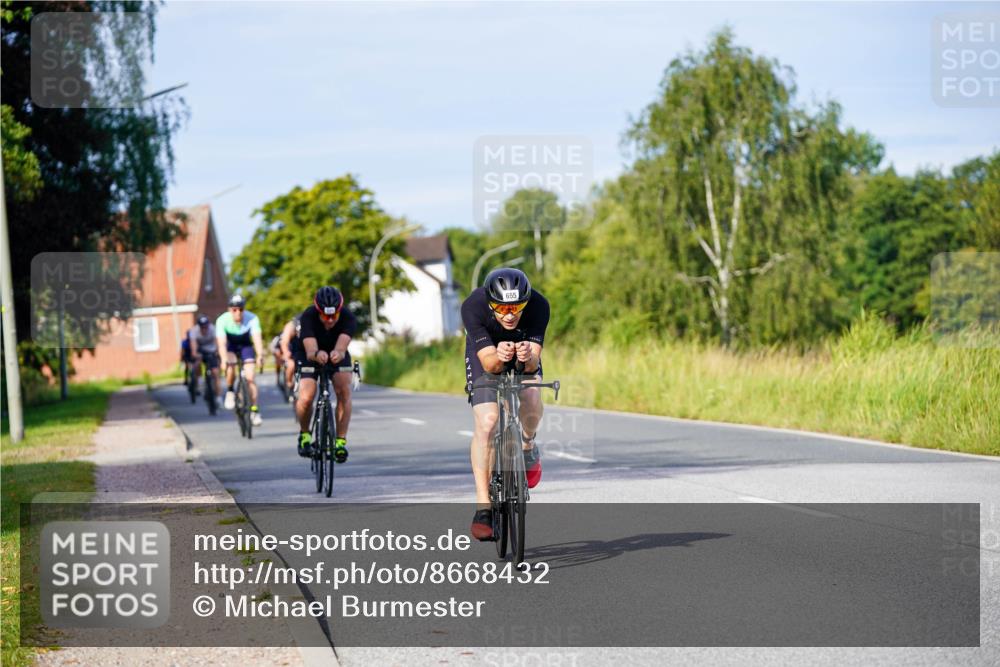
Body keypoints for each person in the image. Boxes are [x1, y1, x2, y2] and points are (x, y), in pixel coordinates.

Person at [461, 268, 549, 541]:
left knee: (531, 396)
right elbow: (490, 364)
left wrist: (527, 357)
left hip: (522, 353)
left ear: (526, 302)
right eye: (501, 308)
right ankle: (483, 507)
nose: (509, 315)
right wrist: (499, 356)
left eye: (516, 307)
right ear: (490, 303)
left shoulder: (539, 305)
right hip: (486, 354)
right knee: (488, 421)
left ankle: (527, 447)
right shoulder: (473, 306)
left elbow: (532, 364)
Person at [293, 286, 356, 461]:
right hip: (310, 353)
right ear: (318, 311)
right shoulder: (308, 316)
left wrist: (338, 353)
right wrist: (316, 354)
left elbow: (342, 347)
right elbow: (310, 350)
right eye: (325, 316)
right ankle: (305, 434)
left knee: (344, 390)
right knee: (307, 395)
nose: (330, 320)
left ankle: (340, 442)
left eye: (334, 316)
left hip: (335, 352)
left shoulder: (348, 317)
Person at [215, 294, 265, 426]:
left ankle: (254, 410)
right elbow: (221, 344)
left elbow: (257, 339)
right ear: (229, 310)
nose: (238, 312)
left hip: (245, 345)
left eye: (241, 309)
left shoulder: (252, 318)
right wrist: (223, 359)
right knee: (230, 366)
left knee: (250, 377)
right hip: (230, 346)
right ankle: (230, 391)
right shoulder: (222, 320)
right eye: (234, 309)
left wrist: (260, 355)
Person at [188, 315, 221, 405]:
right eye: (202, 327)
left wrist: (217, 352)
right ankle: (199, 381)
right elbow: (193, 347)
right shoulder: (194, 331)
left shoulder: (213, 329)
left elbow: (217, 343)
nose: (204, 329)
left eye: (206, 327)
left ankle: (218, 397)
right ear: (199, 326)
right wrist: (196, 354)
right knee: (197, 363)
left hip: (211, 350)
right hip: (200, 350)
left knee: (215, 372)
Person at [278, 317, 301, 401]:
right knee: (291, 365)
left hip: (301, 352)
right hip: (291, 352)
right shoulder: (291, 326)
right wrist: (286, 352)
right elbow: (284, 342)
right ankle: (289, 383)